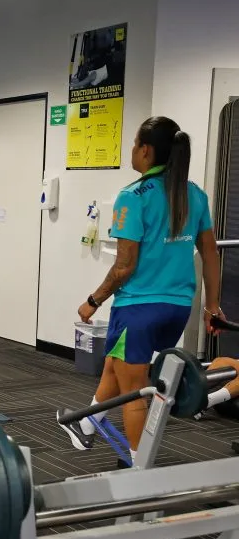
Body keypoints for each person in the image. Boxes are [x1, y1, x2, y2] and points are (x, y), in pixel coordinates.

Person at [65, 116, 223, 461]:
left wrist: (93, 300)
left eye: (135, 144)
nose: (132, 151)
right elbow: (210, 253)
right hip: (177, 307)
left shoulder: (132, 196)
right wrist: (212, 305)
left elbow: (124, 266)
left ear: (146, 151)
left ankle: (140, 471)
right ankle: (86, 425)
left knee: (134, 392)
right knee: (116, 364)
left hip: (138, 307)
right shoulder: (195, 194)